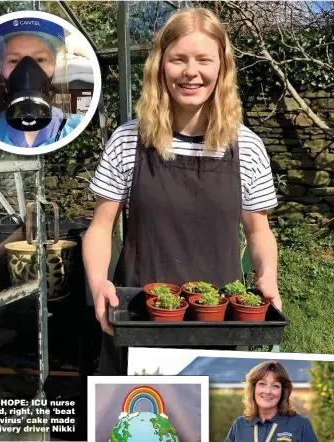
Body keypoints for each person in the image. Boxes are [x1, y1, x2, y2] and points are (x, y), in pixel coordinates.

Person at [82, 8, 281, 375]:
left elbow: (258, 231)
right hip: (139, 318)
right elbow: (99, 227)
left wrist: (266, 273)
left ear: (221, 68)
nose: (192, 72)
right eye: (179, 59)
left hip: (218, 320)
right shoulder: (129, 140)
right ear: (160, 66)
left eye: (204, 60)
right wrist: (99, 283)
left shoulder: (247, 146)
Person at [0, 18, 82, 147]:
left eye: (40, 59)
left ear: (54, 64)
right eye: (14, 61)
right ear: (0, 67)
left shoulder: (78, 127)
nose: (27, 71)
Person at [226, 361, 319, 442]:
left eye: (275, 385)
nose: (267, 391)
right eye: (262, 384)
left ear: (283, 391)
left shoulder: (301, 425)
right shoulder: (239, 425)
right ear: (253, 389)